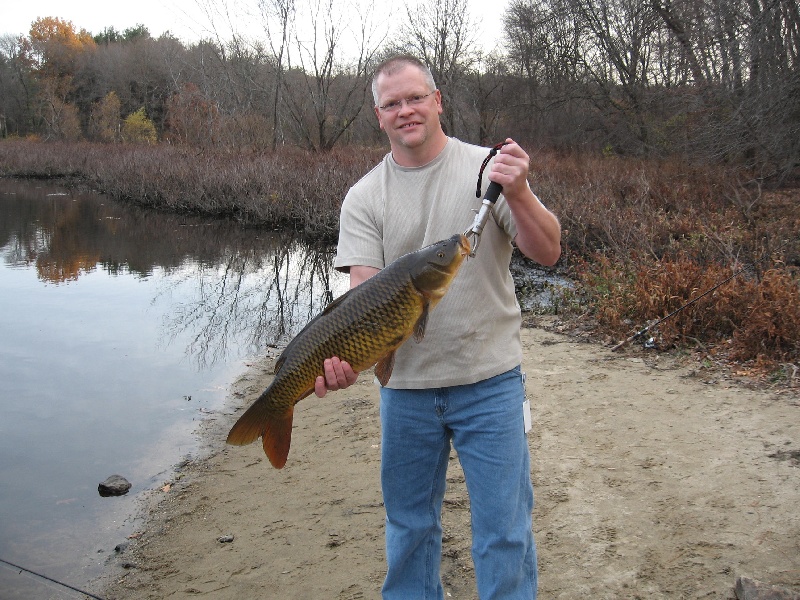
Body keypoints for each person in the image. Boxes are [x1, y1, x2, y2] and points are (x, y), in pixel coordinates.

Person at [314, 55, 561, 599]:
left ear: (438, 100)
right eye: (392, 104)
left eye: (415, 98)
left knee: (504, 534)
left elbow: (547, 250)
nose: (406, 111)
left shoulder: (486, 171)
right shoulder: (364, 197)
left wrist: (518, 192)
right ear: (378, 116)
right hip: (405, 394)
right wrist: (343, 362)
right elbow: (364, 297)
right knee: (409, 531)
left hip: (491, 383)